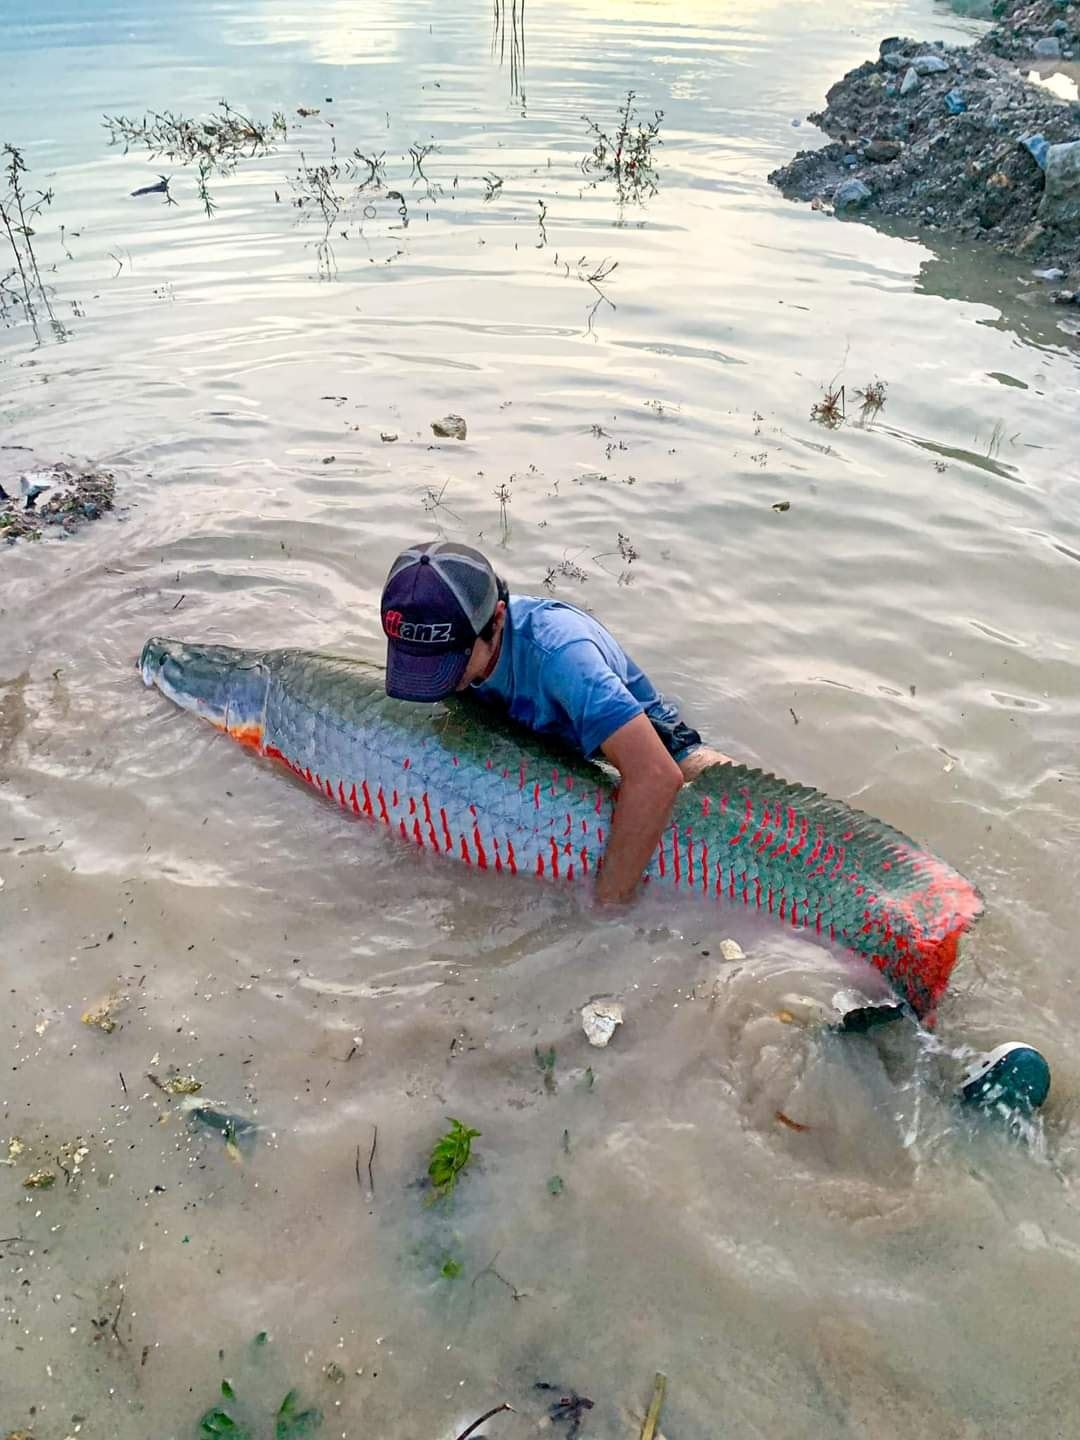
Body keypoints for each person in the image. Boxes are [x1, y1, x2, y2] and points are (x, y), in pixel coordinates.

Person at [380, 539, 731, 904]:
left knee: (716, 785)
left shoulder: (564, 657)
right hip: (535, 733)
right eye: (420, 661)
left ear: (497, 619)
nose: (433, 675)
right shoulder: (442, 631)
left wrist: (608, 905)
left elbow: (657, 777)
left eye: (448, 661)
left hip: (637, 735)